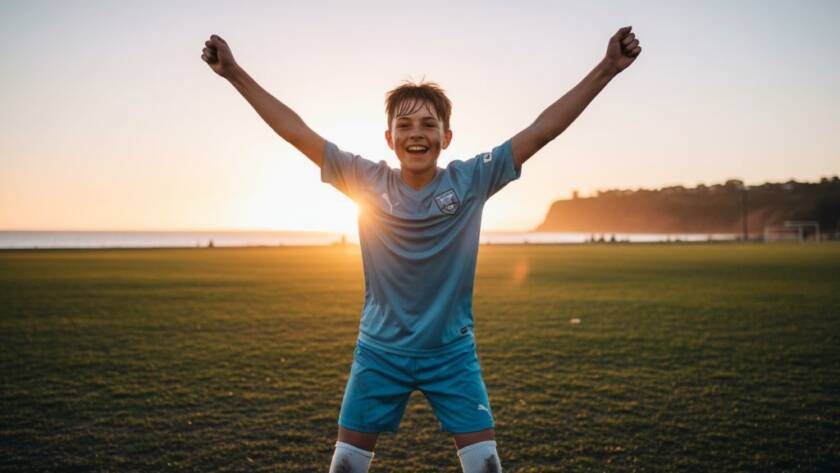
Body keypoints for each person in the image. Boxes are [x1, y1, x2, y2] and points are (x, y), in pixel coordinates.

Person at [201, 26, 641, 473]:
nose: (417, 133)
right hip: (379, 353)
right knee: (346, 466)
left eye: (429, 124)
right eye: (405, 125)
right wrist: (233, 73)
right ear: (389, 139)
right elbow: (296, 132)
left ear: (446, 137)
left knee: (486, 464)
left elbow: (542, 130)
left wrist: (607, 68)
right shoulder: (365, 180)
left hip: (451, 354)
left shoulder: (470, 180)